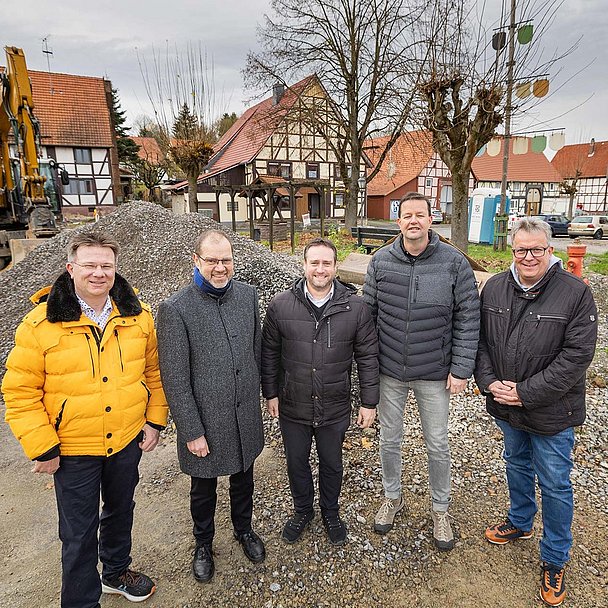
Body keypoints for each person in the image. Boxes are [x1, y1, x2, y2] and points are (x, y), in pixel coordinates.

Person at [2, 231, 168, 608]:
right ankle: (81, 601)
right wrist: (43, 446)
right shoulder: (39, 325)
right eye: (90, 265)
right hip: (74, 448)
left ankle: (115, 571)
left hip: (126, 440)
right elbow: (19, 391)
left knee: (121, 509)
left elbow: (155, 373)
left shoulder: (137, 316)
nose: (98, 273)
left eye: (106, 265)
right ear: (71, 268)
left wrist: (154, 421)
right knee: (78, 533)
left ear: (115, 269)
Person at [475, 217, 597, 607]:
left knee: (556, 483)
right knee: (516, 463)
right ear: (512, 250)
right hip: (505, 404)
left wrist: (525, 393)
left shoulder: (575, 293)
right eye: (521, 249)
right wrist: (489, 381)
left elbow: (577, 357)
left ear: (550, 249)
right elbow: (479, 342)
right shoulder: (494, 287)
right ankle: (521, 521)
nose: (529, 257)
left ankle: (555, 558)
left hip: (551, 411)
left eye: (537, 249)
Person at [363, 192, 480, 550]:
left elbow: (468, 316)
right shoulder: (381, 262)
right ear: (398, 222)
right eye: (407, 215)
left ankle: (440, 510)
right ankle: (392, 497)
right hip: (390, 372)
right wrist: (368, 369)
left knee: (438, 443)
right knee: (390, 440)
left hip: (434, 373)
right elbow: (367, 318)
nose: (413, 221)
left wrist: (461, 368)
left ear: (432, 220)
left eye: (420, 215)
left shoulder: (452, 263)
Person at [156, 229, 265, 584]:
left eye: (226, 260)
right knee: (203, 488)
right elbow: (174, 378)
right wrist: (191, 430)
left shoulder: (248, 296)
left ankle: (243, 529)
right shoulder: (175, 309)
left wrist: (264, 395)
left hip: (243, 412)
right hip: (206, 418)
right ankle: (203, 543)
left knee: (243, 477)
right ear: (197, 261)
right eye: (212, 260)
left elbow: (256, 351)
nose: (220, 268)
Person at [262, 237, 379, 546]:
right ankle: (302, 510)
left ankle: (330, 511)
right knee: (296, 462)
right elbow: (270, 354)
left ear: (335, 266)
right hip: (293, 405)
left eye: (326, 263)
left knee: (332, 464)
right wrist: (271, 393)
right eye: (314, 262)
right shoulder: (280, 306)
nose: (320, 269)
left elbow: (367, 357)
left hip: (334, 405)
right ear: (304, 265)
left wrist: (369, 401)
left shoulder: (355, 308)